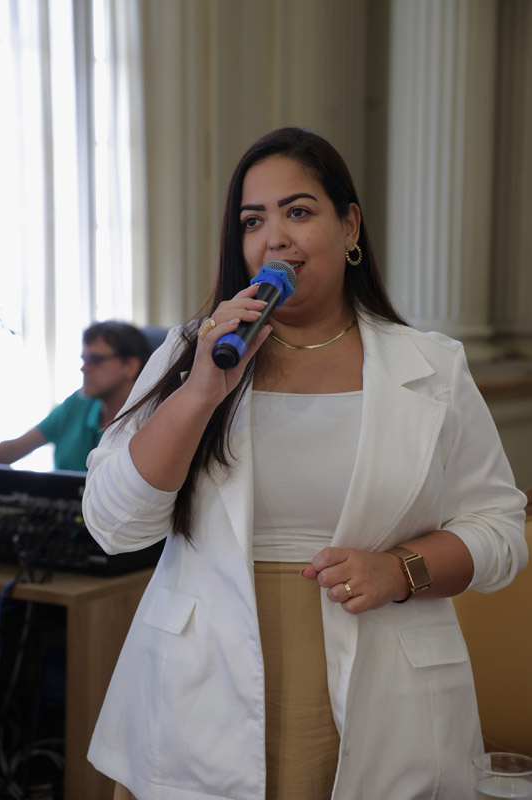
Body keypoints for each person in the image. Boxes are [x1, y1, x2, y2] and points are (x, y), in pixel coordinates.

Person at [81, 128, 528, 800]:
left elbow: (500, 526)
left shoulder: (431, 365)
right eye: (252, 221)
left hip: (382, 677)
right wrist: (200, 391)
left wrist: (400, 569)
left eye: (298, 211)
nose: (274, 240)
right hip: (201, 685)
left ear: (349, 225)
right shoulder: (190, 352)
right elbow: (114, 525)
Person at [0, 321, 152, 472]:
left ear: (131, 366)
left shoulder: (152, 419)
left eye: (95, 360)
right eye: (84, 360)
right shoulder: (78, 403)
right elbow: (16, 448)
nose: (83, 368)